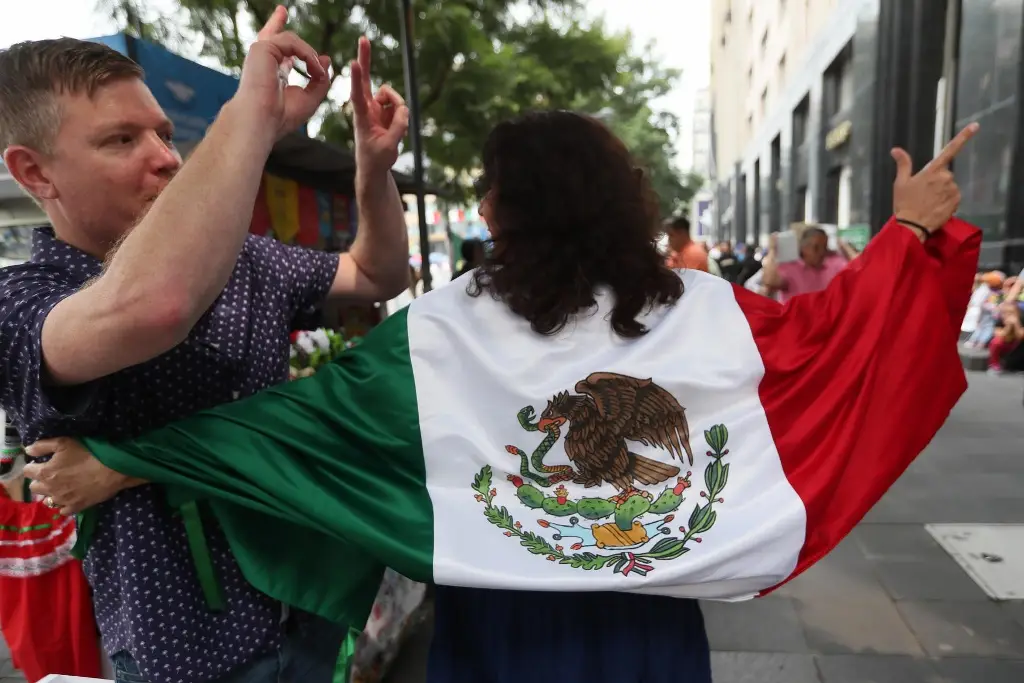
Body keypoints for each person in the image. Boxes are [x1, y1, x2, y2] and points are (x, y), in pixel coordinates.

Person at [28, 116, 979, 683]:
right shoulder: (703, 310)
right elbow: (836, 342)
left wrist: (132, 456)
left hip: (501, 626)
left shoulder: (443, 330)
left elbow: (303, 427)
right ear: (623, 198)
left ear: (494, 211)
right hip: (647, 625)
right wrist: (902, 235)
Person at [0, 7, 410, 683]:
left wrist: (373, 169)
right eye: (120, 140)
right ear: (36, 173)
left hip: (307, 600)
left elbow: (377, 273)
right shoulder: (23, 302)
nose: (165, 157)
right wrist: (248, 111)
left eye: (163, 133)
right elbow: (158, 303)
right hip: (189, 653)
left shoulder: (247, 258)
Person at [761, 225, 860, 303]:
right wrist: (773, 250)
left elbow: (861, 271)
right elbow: (769, 281)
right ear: (804, 248)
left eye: (824, 247)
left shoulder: (834, 264)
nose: (821, 252)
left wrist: (845, 246)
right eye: (816, 248)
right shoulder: (790, 267)